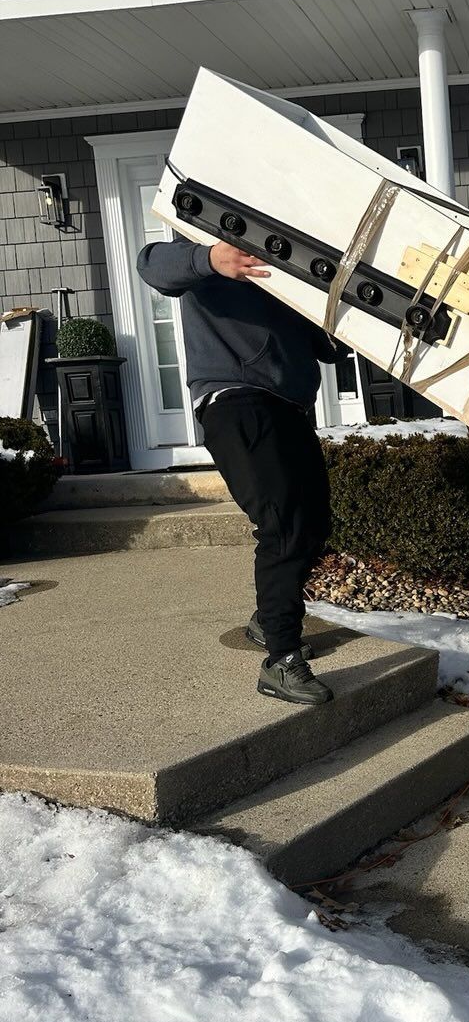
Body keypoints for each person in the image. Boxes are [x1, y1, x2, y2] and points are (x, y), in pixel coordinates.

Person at [137, 238, 338, 706]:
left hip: (287, 404)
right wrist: (210, 257)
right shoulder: (210, 248)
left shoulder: (287, 257)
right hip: (234, 398)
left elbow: (319, 342)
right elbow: (152, 265)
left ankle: (269, 622)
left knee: (314, 525)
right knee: (282, 526)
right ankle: (281, 661)